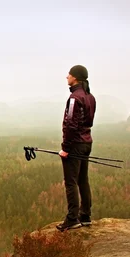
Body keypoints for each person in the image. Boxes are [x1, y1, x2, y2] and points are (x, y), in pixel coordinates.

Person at [57, 65, 96, 232]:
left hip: (75, 145)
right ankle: (85, 215)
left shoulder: (74, 98)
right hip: (87, 143)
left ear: (76, 78)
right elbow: (89, 122)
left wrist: (65, 148)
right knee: (83, 180)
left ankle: (72, 219)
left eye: (69, 74)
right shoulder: (90, 97)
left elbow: (71, 124)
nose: (67, 76)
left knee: (71, 182)